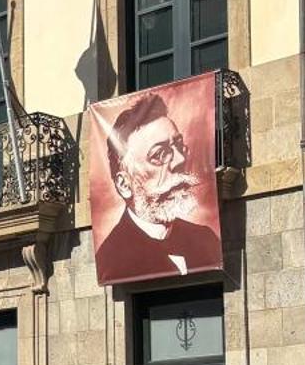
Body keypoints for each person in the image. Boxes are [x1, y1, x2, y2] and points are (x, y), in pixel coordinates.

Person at [94, 89, 222, 284]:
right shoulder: (110, 257)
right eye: (159, 155)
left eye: (178, 146)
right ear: (124, 184)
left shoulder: (205, 238)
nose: (179, 160)